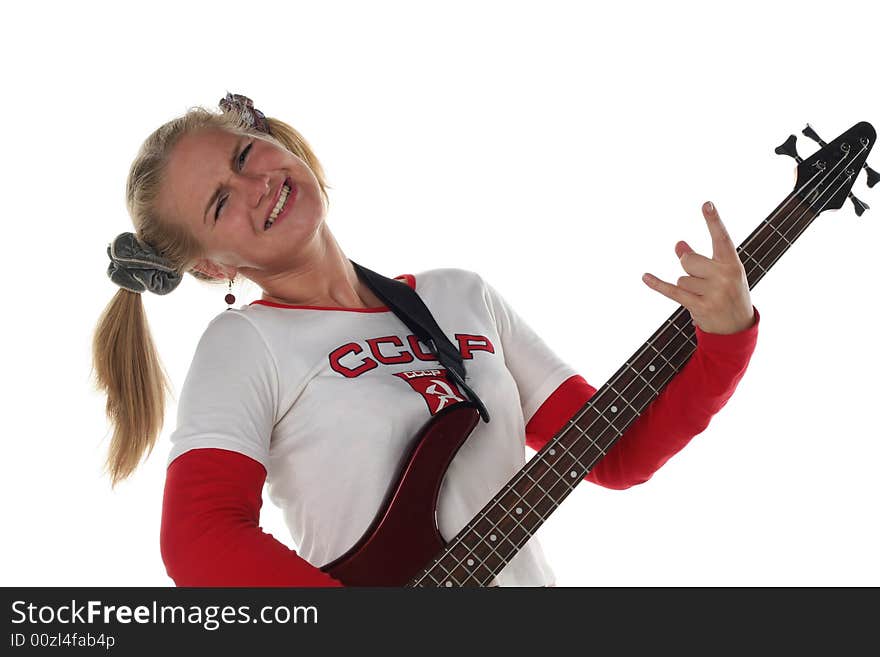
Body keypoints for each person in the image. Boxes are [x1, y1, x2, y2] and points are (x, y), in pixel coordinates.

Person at [91, 93, 760, 588]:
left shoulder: (458, 296)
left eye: (244, 155)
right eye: (219, 202)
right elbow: (199, 538)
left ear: (275, 138)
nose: (255, 184)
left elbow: (617, 453)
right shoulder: (245, 343)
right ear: (210, 265)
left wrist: (724, 339)